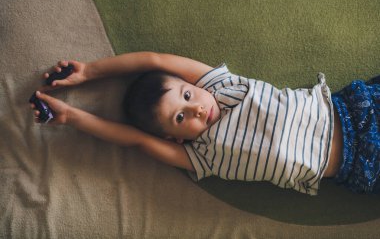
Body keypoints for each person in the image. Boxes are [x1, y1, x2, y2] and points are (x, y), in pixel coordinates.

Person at [29, 51, 379, 196]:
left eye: (186, 96)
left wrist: (90, 71)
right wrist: (72, 116)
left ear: (192, 84)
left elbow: (154, 58)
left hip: (354, 112)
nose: (196, 109)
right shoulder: (203, 156)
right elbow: (135, 140)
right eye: (180, 118)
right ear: (174, 138)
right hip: (358, 164)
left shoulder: (218, 86)